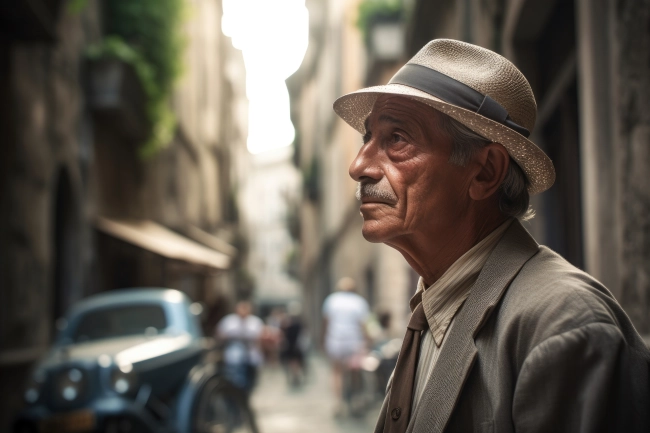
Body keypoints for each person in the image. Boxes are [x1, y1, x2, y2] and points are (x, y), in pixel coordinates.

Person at [332, 38, 650, 432]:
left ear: (484, 173)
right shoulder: (436, 306)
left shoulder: (562, 325)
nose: (359, 166)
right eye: (368, 138)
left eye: (397, 139)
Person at [321, 277, 370, 416]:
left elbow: (326, 323)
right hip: (354, 341)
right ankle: (356, 401)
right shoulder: (359, 302)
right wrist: (367, 340)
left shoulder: (331, 300)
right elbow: (364, 325)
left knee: (336, 372)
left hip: (335, 340)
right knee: (355, 371)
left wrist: (323, 340)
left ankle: (338, 403)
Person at [216, 300, 264, 394]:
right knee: (235, 381)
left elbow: (261, 338)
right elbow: (219, 336)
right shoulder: (228, 321)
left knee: (250, 383)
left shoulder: (255, 322)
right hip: (234, 357)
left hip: (252, 358)